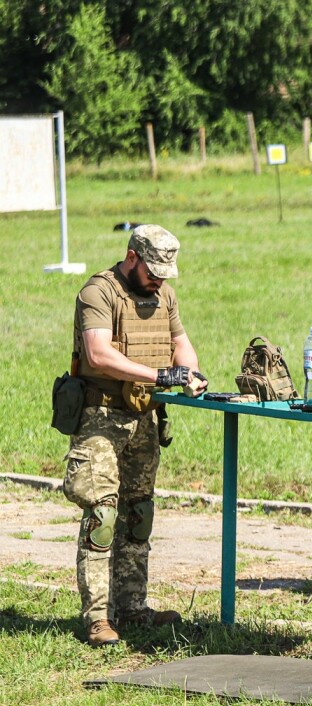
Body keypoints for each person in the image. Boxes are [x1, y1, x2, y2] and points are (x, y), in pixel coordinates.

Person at [65, 225, 206, 646]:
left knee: (138, 514)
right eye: (153, 270)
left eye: (166, 271)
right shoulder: (98, 293)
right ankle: (97, 618)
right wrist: (161, 375)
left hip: (145, 417)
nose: (160, 279)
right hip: (101, 415)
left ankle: (133, 607)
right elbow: (98, 353)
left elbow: (180, 343)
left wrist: (191, 373)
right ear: (132, 257)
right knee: (102, 515)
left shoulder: (165, 295)